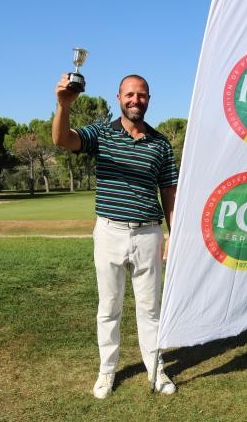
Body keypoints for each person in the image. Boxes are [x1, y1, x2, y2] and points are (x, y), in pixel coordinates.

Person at [52, 73, 178, 399]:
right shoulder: (102, 133)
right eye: (130, 95)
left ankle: (156, 369)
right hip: (109, 232)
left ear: (149, 99)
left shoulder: (161, 143)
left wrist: (173, 233)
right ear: (119, 98)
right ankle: (106, 372)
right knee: (109, 308)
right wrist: (63, 105)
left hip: (149, 233)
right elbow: (63, 140)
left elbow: (169, 191)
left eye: (142, 95)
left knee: (150, 310)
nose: (136, 100)